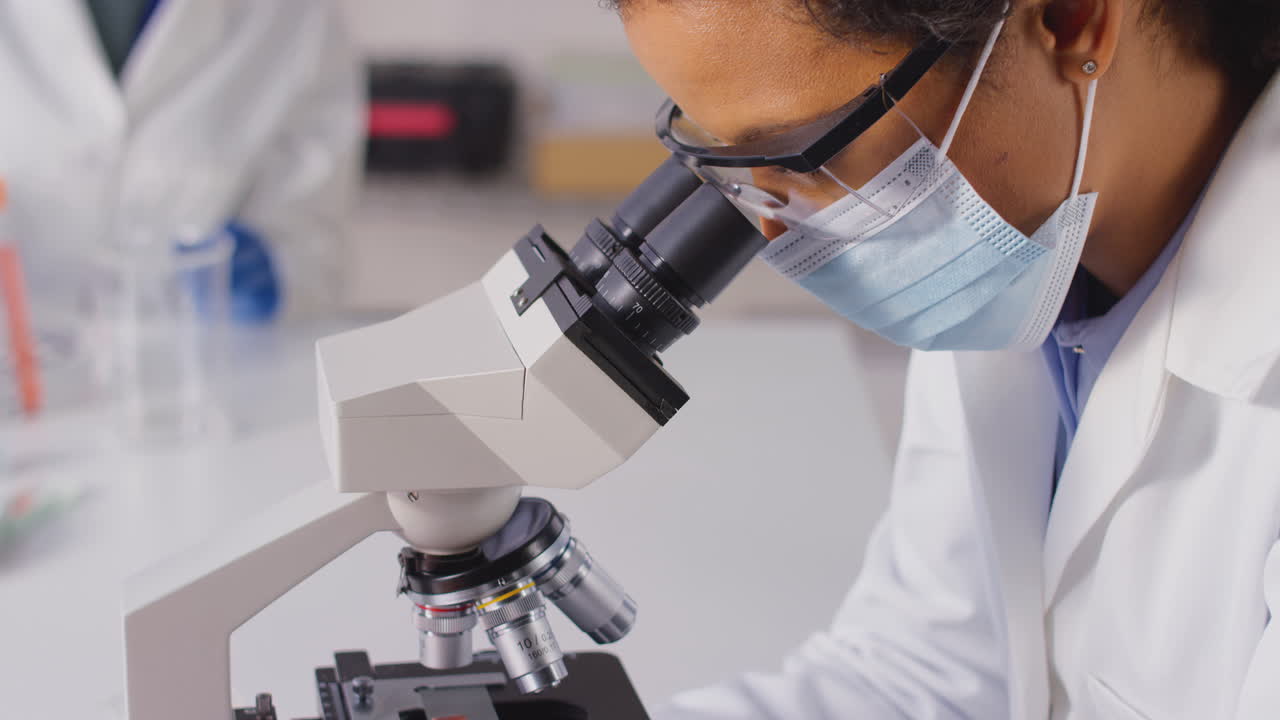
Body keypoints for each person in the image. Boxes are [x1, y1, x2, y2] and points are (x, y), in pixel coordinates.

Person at [608, 0, 1280, 717]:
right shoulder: (1010, 255)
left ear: (1072, 20)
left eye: (805, 148)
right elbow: (924, 678)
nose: (774, 229)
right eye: (723, 155)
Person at [0, 0, 363, 323]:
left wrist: (278, 272)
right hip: (21, 370)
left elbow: (312, 251)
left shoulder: (293, 16)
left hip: (203, 375)